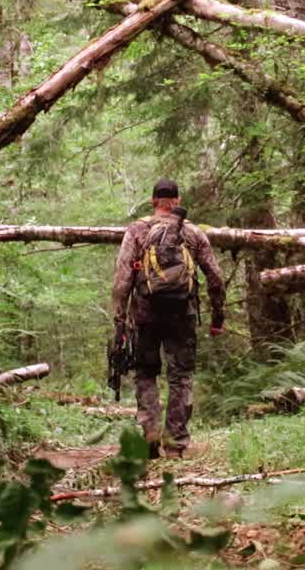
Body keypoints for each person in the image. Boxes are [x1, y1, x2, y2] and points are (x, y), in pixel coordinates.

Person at [111, 179, 226, 459]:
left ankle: (150, 431)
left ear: (153, 201)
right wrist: (217, 316)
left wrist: (120, 320)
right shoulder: (193, 233)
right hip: (182, 314)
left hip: (145, 314)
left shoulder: (138, 230)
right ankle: (175, 442)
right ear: (178, 199)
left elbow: (122, 279)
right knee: (181, 376)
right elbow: (215, 277)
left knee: (146, 373)